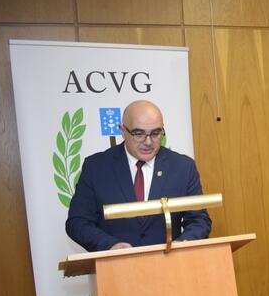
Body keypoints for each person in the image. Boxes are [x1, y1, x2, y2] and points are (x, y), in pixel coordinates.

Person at [66, 100, 211, 252]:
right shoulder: (96, 167)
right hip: (115, 267)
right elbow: (78, 222)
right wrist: (109, 245)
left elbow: (199, 220)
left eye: (155, 133)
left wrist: (182, 244)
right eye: (139, 133)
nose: (148, 142)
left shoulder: (182, 167)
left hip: (170, 265)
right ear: (122, 131)